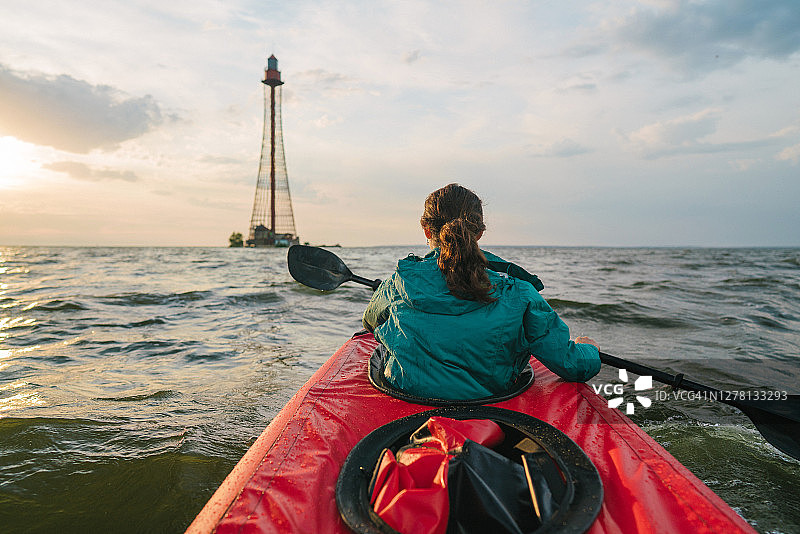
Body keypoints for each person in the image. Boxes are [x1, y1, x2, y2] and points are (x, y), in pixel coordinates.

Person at [362, 183, 600, 401]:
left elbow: (370, 322)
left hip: (405, 391)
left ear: (426, 229)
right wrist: (589, 350)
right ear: (479, 233)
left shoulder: (397, 282)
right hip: (490, 396)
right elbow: (572, 365)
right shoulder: (520, 291)